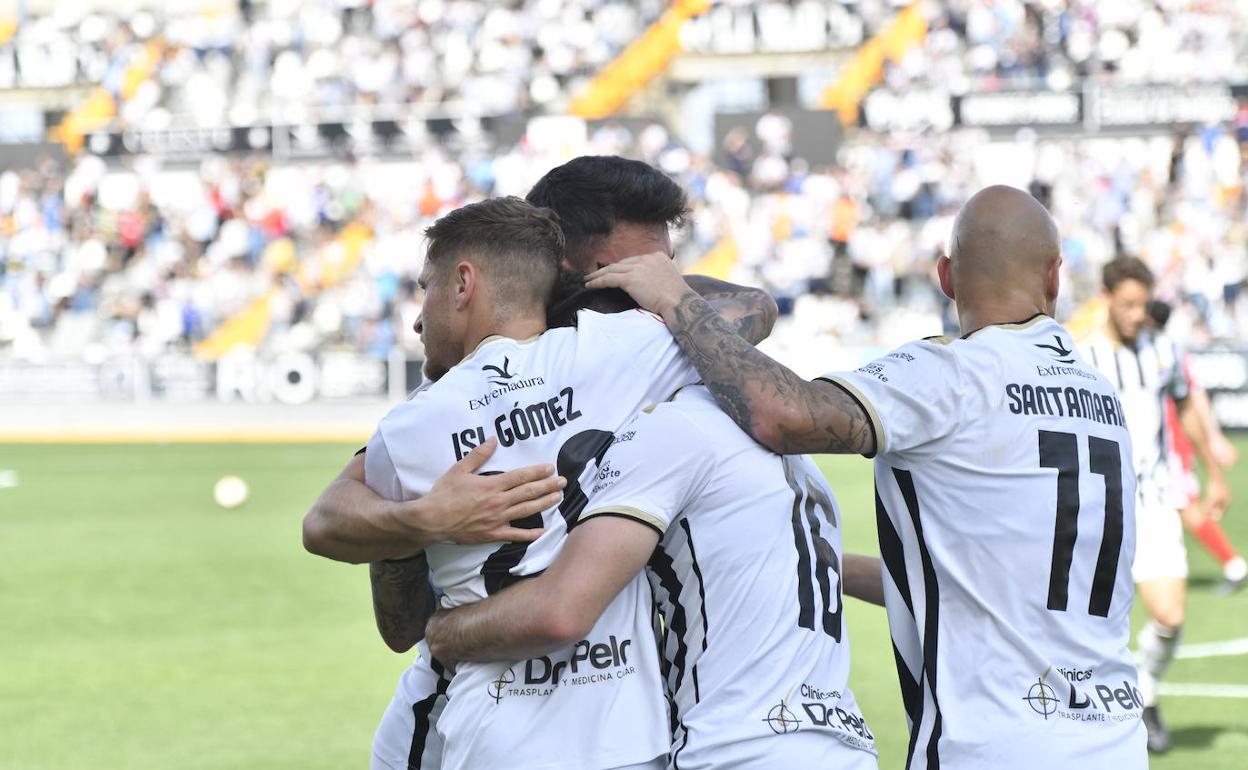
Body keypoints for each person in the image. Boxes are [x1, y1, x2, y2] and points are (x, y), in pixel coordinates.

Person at [587, 185, 1147, 769]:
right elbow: (984, 578)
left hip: (995, 745)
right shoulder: (1100, 398)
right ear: (1055, 277)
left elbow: (787, 416)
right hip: (1114, 739)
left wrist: (674, 296)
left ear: (946, 277)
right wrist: (813, 562)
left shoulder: (952, 375)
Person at [303, 193, 778, 768]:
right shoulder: (633, 354)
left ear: (462, 283)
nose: (417, 314)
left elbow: (339, 547)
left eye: (425, 285)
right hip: (625, 732)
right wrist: (636, 283)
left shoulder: (415, 424)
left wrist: (419, 523)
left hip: (488, 725)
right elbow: (749, 308)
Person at [422, 382, 885, 769]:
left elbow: (561, 611)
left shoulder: (675, 425)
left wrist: (445, 632)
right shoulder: (786, 451)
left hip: (737, 748)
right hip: (842, 745)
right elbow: (785, 561)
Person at [1079, 259, 1233, 752]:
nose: (1135, 314)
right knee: (1086, 623)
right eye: (1126, 304)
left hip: (1154, 498)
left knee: (1169, 615)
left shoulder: (1162, 348)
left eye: (1142, 304)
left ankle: (1143, 695)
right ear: (1105, 298)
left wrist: (1211, 469)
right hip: (1090, 506)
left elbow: (1187, 403)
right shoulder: (1079, 354)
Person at [1147, 299, 1245, 594]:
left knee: (1186, 504)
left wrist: (1213, 439)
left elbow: (1195, 399)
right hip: (1158, 440)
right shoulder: (1161, 349)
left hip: (1171, 442)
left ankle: (1234, 564)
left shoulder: (1165, 353)